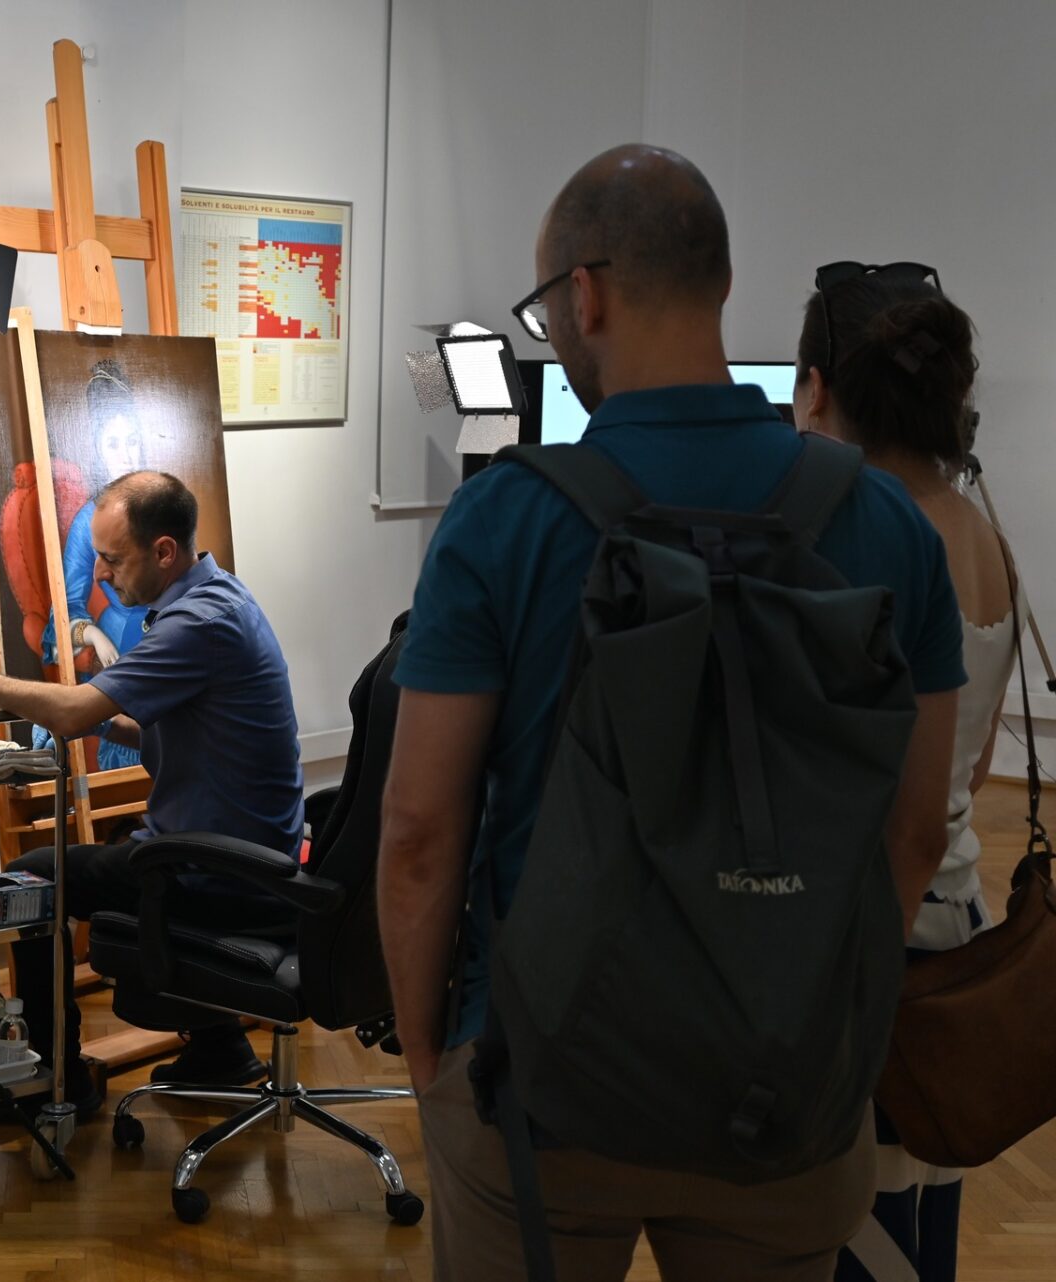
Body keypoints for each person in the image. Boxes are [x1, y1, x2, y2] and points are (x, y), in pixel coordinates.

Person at [377, 143, 965, 1281]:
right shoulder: (890, 523)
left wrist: (430, 1057)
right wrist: (813, 1006)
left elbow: (417, 835)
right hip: (782, 1093)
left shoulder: (502, 522)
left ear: (583, 297)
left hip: (540, 1080)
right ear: (724, 283)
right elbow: (914, 832)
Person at [0, 470, 304, 1116]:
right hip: (246, 852)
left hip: (222, 870)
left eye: (113, 559)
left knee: (33, 876)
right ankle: (221, 1048)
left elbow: (71, 710)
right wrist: (102, 721)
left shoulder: (199, 623)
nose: (99, 574)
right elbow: (169, 725)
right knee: (119, 848)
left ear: (164, 552)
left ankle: (54, 1081)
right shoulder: (218, 598)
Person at [793, 265, 1007, 1282]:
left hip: (882, 929)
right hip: (958, 920)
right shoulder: (983, 534)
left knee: (860, 1228)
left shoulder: (873, 541)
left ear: (823, 388)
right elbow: (973, 758)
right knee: (924, 1216)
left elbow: (869, 795)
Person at [37, 359, 154, 771]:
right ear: (97, 449)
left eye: (133, 440)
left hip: (171, 642)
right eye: (113, 443)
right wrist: (95, 636)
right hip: (121, 650)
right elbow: (64, 611)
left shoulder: (161, 506)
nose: (126, 455)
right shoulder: (88, 520)